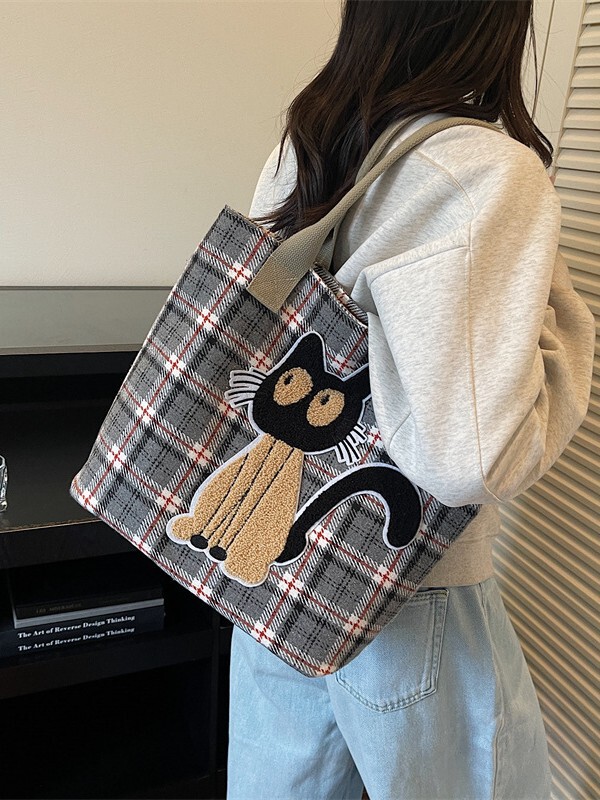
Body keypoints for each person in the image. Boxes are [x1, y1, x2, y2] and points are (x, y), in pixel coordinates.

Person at [226, 2, 596, 799]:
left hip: (277, 573)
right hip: (413, 592)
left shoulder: (309, 143)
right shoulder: (488, 172)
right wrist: (563, 316)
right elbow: (473, 459)